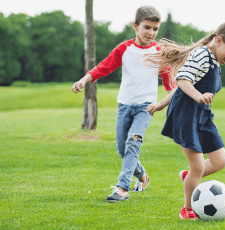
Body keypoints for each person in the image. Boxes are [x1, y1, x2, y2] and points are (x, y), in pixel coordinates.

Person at [144, 21, 225, 219]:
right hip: (186, 116)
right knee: (198, 167)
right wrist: (197, 96)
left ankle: (188, 177)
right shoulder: (202, 54)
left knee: (220, 161)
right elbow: (182, 80)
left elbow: (179, 86)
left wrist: (161, 103)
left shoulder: (215, 60)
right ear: (219, 40)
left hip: (202, 116)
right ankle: (187, 208)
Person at [71, 6, 176, 202]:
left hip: (146, 107)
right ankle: (142, 176)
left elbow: (170, 83)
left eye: (155, 29)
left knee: (133, 141)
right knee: (123, 148)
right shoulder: (124, 49)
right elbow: (104, 67)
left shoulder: (159, 52)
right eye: (147, 28)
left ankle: (122, 188)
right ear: (135, 26)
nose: (151, 33)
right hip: (124, 105)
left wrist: (170, 102)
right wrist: (84, 80)